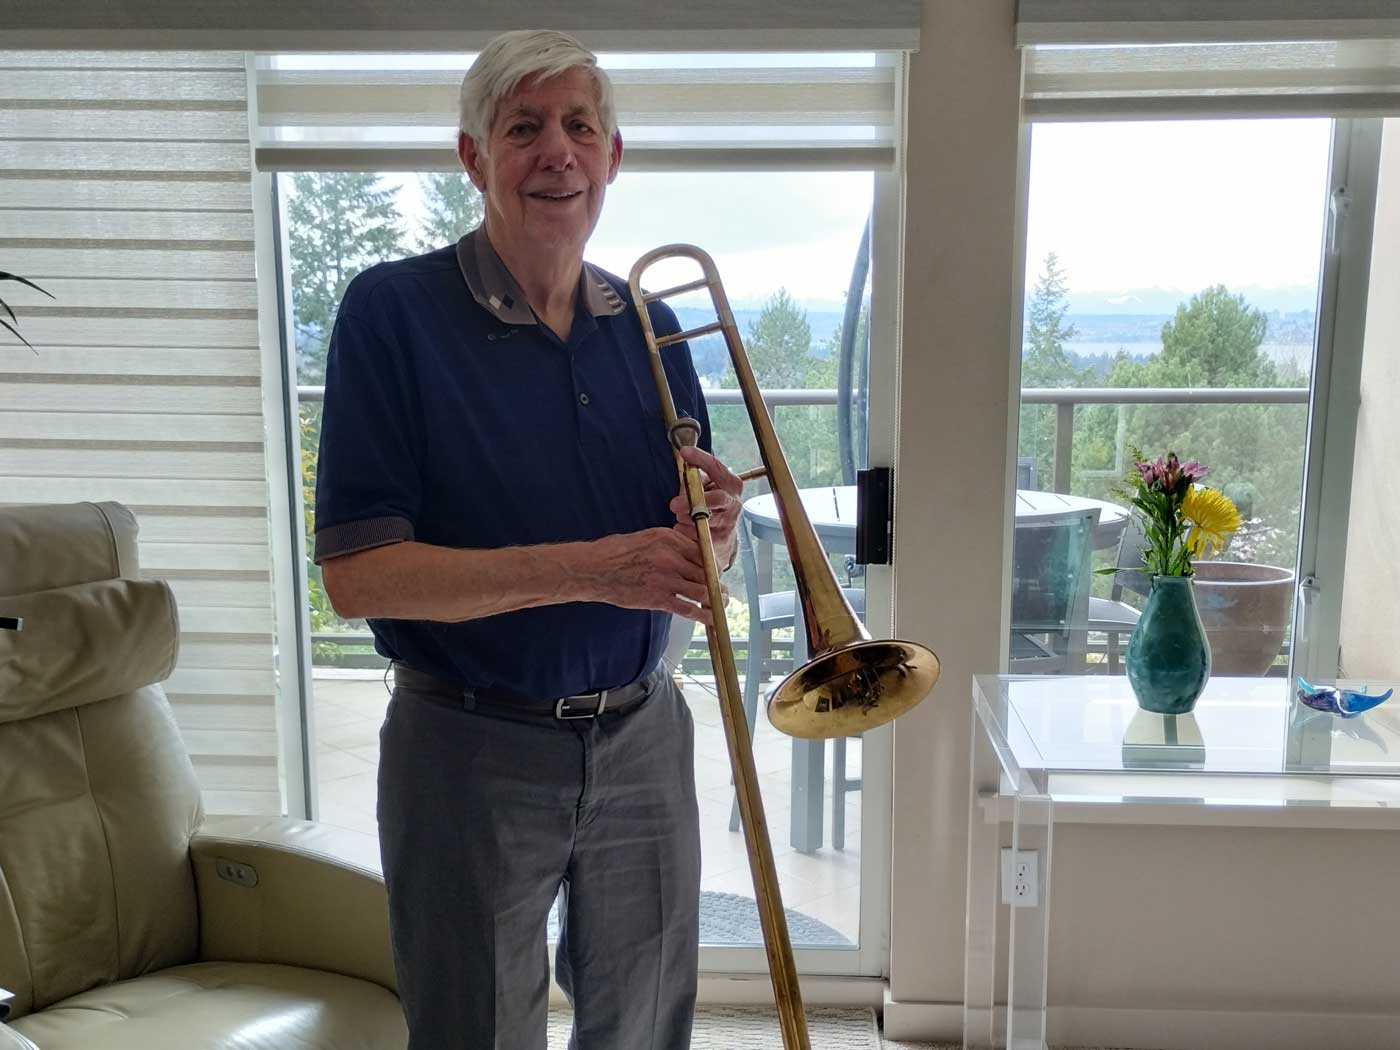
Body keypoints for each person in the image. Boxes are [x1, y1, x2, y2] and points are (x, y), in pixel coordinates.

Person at [312, 28, 744, 1050]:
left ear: (610, 157)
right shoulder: (392, 312)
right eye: (524, 128)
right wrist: (597, 568)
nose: (557, 152)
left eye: (579, 127)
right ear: (473, 158)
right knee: (476, 1032)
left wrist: (714, 534)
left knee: (642, 1028)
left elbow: (687, 553)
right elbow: (359, 579)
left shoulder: (649, 324)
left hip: (643, 736)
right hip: (470, 748)